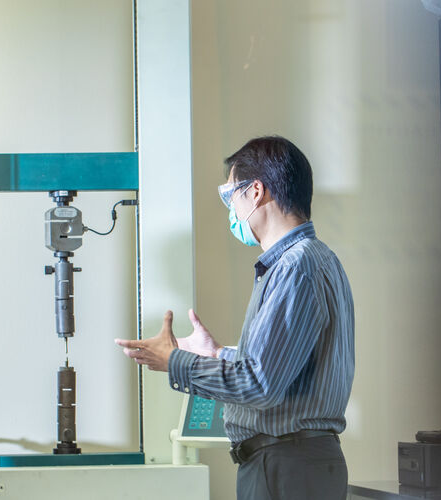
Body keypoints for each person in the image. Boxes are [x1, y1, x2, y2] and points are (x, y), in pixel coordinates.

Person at [115, 136, 355, 500]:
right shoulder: (311, 260)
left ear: (255, 191)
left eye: (231, 196)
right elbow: (280, 369)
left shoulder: (295, 266)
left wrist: (175, 361)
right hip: (289, 464)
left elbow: (260, 384)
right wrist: (216, 355)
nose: (231, 208)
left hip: (286, 467)